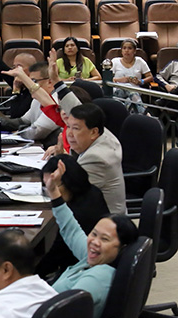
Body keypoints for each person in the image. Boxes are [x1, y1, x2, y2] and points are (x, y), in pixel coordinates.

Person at [46, 160, 138, 318]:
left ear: (121, 248)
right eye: (94, 234)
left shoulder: (97, 277)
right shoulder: (95, 258)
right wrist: (53, 191)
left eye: (104, 239)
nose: (94, 241)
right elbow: (71, 229)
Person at [48, 49, 127, 214]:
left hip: (104, 224)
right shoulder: (102, 133)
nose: (69, 134)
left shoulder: (96, 158)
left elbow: (66, 193)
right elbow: (76, 108)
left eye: (75, 129)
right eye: (68, 126)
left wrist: (61, 159)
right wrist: (56, 80)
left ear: (93, 132)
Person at [36, 154, 110, 279]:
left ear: (70, 183)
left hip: (79, 272)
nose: (49, 193)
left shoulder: (78, 214)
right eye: (46, 186)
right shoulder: (92, 192)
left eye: (53, 187)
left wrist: (27, 276)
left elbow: (55, 256)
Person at [1, 64, 92, 157]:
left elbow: (36, 132)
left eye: (34, 81)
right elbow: (42, 100)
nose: (63, 112)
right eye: (60, 109)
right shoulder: (60, 116)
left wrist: (16, 131)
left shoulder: (59, 102)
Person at [0, 62, 61, 146]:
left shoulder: (57, 101)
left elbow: (36, 132)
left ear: (49, 82)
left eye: (34, 81)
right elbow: (23, 120)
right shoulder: (37, 99)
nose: (29, 85)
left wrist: (19, 132)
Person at [111, 38, 153, 114]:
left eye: (129, 48)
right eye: (124, 48)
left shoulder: (139, 61)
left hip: (135, 94)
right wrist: (122, 80)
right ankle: (145, 113)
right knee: (128, 86)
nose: (126, 50)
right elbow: (109, 79)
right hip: (118, 91)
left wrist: (141, 81)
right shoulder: (115, 61)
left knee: (130, 105)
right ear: (121, 50)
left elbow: (150, 77)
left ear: (134, 51)